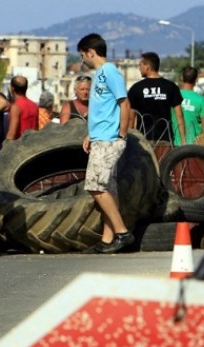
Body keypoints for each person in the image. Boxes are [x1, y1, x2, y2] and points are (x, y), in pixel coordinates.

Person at [77, 33, 135, 254]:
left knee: (95, 185)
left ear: (91, 52)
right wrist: (91, 134)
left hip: (110, 139)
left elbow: (124, 103)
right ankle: (107, 239)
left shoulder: (109, 71)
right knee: (108, 188)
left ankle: (122, 232)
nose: (83, 60)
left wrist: (121, 134)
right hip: (99, 137)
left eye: (83, 55)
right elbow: (102, 108)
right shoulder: (100, 74)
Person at [127, 52, 185, 144]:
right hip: (165, 139)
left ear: (147, 66)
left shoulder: (136, 88)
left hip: (143, 140)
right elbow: (179, 115)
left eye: (140, 65)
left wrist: (129, 139)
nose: (139, 68)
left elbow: (131, 117)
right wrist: (183, 140)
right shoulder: (170, 86)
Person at [172, 67, 204, 146]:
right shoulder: (201, 100)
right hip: (193, 147)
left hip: (173, 144)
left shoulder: (172, 96)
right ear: (196, 80)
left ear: (182, 78)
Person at [5, 75, 38, 140]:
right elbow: (36, 128)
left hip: (20, 145)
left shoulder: (16, 107)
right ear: (26, 88)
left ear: (12, 88)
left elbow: (12, 134)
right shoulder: (34, 105)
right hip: (32, 143)